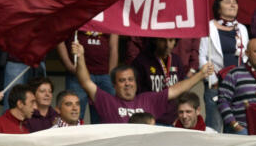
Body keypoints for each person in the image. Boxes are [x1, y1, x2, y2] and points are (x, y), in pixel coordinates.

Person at [71, 40, 214, 124]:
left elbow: (176, 89)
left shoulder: (148, 99)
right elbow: (85, 82)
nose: (127, 83)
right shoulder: (106, 101)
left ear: (136, 82)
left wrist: (201, 75)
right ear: (114, 85)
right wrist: (81, 56)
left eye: (130, 80)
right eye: (122, 80)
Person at [57, 31, 118, 122]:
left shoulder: (110, 17)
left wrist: (111, 74)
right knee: (73, 118)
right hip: (77, 74)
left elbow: (114, 46)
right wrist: (69, 65)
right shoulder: (75, 16)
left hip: (104, 75)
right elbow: (59, 38)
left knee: (106, 120)